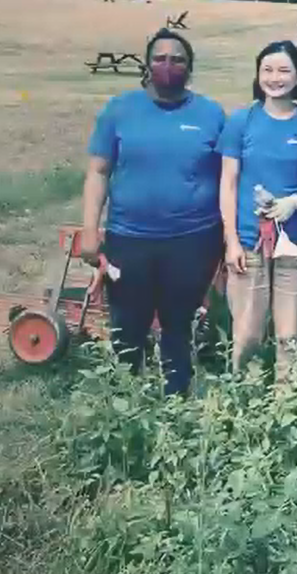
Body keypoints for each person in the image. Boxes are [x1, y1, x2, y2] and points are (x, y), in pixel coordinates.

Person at [78, 27, 227, 396]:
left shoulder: (210, 114)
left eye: (177, 59)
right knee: (128, 326)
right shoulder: (119, 110)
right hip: (130, 240)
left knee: (179, 325)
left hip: (193, 241)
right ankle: (127, 401)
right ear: (147, 65)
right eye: (160, 58)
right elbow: (98, 172)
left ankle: (176, 399)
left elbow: (228, 178)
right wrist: (90, 230)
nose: (168, 65)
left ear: (189, 68)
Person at [217, 40, 297, 378]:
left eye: (284, 70)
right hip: (249, 241)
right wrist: (231, 240)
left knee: (290, 335)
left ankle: (285, 404)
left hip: (296, 242)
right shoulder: (241, 121)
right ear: (258, 75)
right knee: (247, 332)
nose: (275, 78)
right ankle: (243, 401)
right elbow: (228, 183)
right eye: (268, 70)